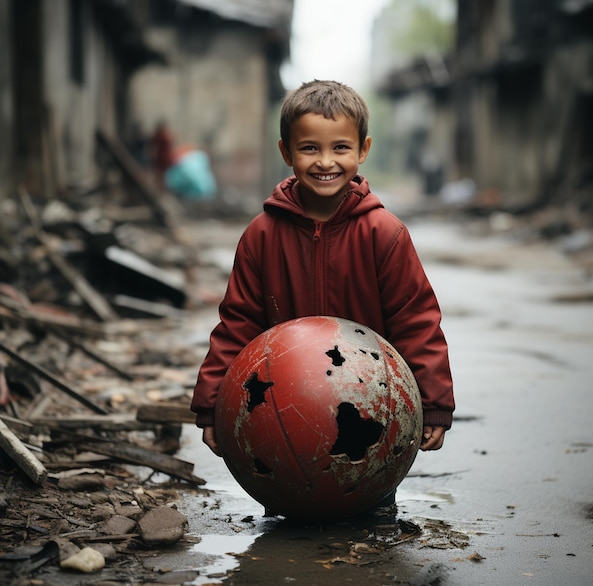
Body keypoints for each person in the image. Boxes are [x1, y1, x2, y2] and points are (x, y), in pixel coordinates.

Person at [191, 80, 455, 507]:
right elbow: (237, 323)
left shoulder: (384, 234)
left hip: (370, 412)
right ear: (286, 152)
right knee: (289, 508)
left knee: (368, 514)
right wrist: (211, 405)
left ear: (363, 149)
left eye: (341, 148)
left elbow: (416, 320)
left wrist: (435, 402)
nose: (326, 162)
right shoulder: (262, 236)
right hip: (286, 412)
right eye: (310, 148)